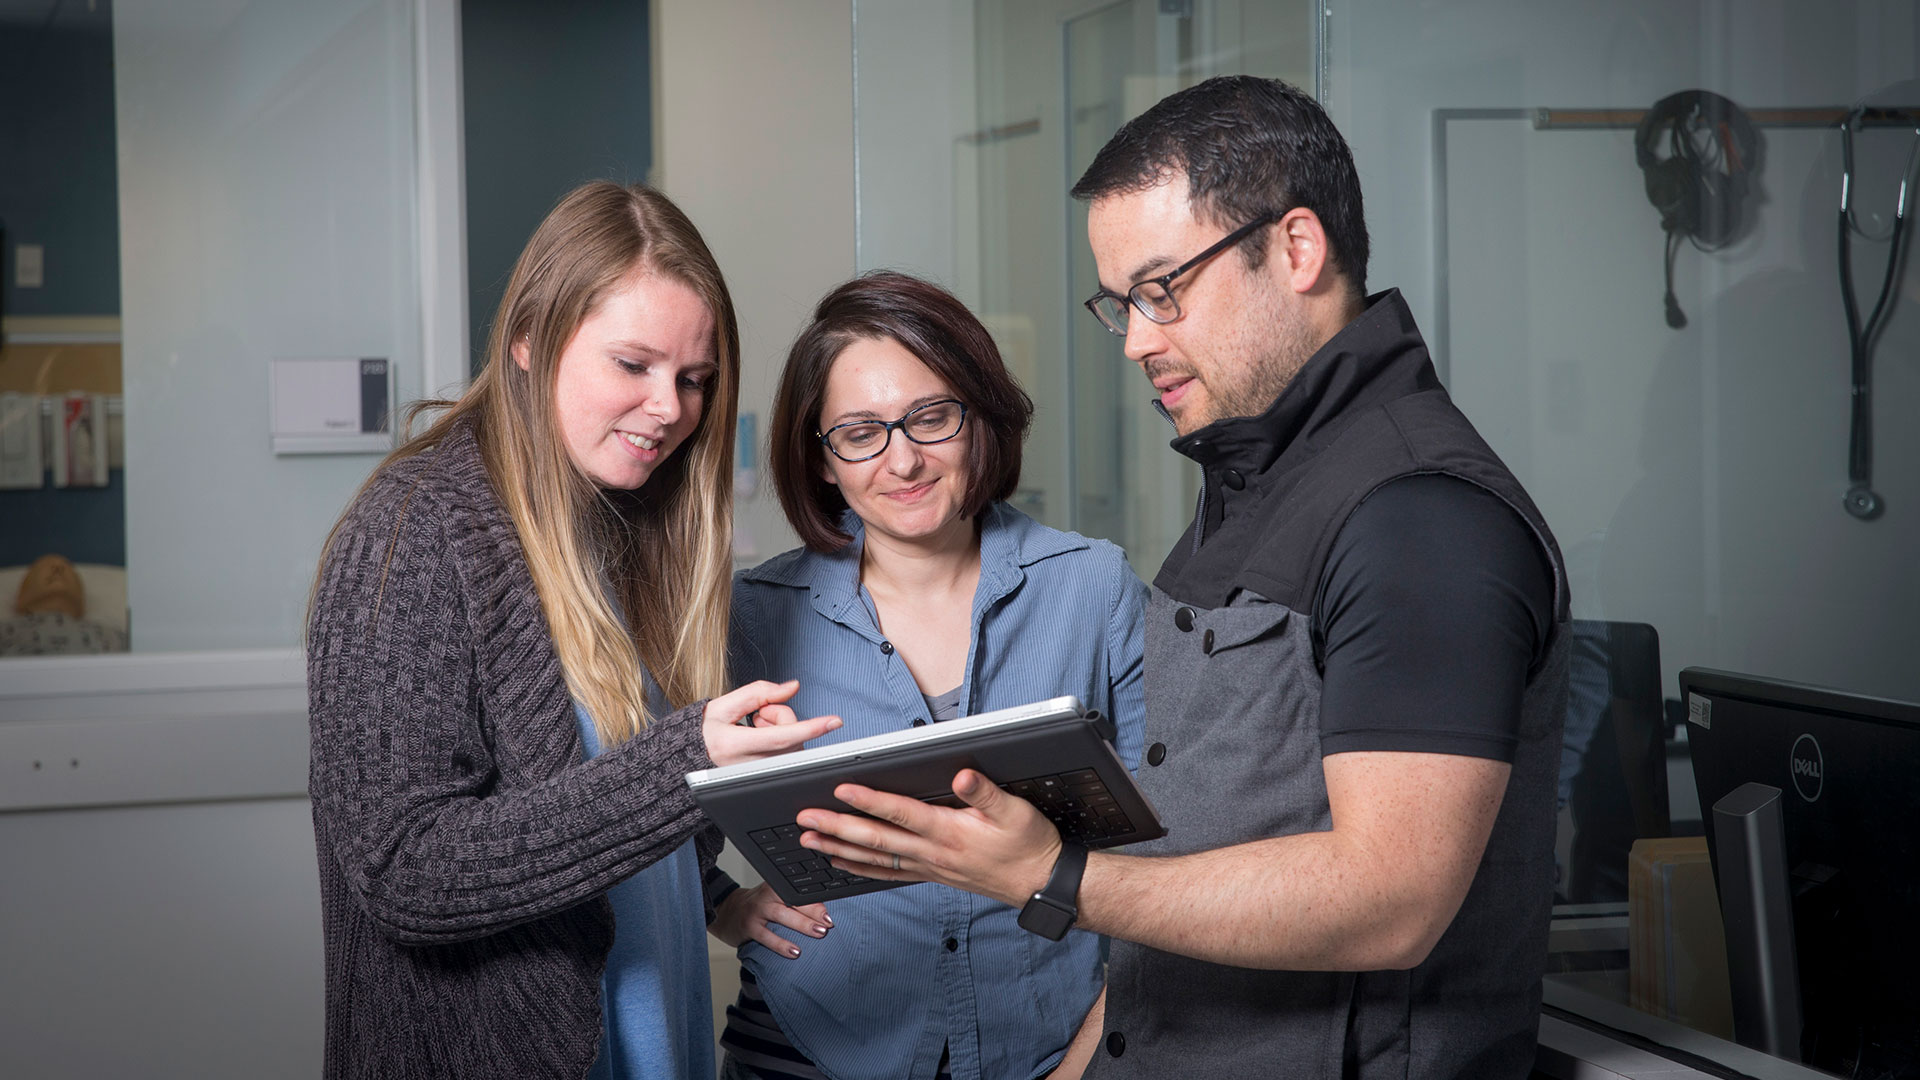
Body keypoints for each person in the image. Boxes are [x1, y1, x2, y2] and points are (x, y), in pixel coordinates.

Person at [794, 76, 1571, 1080]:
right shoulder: (1255, 480)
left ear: (1296, 249)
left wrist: (1052, 873)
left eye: (1163, 290)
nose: (1135, 339)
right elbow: (1196, 868)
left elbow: (1391, 898)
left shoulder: (1419, 515)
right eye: (1119, 303)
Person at [306, 181, 841, 1080]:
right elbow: (403, 869)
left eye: (694, 378)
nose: (669, 407)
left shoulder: (621, 522)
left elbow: (588, 805)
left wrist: (711, 896)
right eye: (632, 366)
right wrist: (682, 766)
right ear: (529, 338)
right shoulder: (413, 535)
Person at [706, 270, 1147, 1080]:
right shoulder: (755, 617)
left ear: (981, 418)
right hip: (807, 1047)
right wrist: (725, 906)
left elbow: (1172, 859)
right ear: (824, 458)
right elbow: (656, 823)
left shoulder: (1093, 588)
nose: (902, 459)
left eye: (931, 417)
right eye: (860, 432)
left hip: (1049, 1049)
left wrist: (1083, 1067)